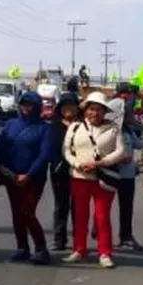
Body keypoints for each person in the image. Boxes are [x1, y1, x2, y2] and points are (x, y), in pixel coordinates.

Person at [61, 91, 125, 269]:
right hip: (80, 177)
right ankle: (79, 249)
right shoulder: (74, 127)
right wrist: (77, 164)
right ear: (85, 110)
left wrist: (99, 163)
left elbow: (120, 152)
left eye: (98, 110)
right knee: (80, 216)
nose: (94, 113)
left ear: (104, 111)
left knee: (102, 217)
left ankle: (105, 253)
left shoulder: (113, 128)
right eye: (91, 109)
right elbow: (67, 150)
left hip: (104, 178)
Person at [0, 92, 52, 264]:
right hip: (11, 176)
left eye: (30, 104)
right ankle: (22, 247)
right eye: (24, 104)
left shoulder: (44, 128)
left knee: (27, 212)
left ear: (37, 106)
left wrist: (29, 174)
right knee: (17, 214)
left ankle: (41, 248)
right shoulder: (11, 124)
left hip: (33, 178)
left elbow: (44, 154)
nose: (26, 108)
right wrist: (5, 170)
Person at [112, 98, 143, 251]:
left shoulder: (128, 130)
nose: (132, 117)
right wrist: (118, 158)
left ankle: (126, 237)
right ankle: (99, 231)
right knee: (104, 208)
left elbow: (137, 144)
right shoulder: (110, 129)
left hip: (128, 176)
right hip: (111, 174)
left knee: (127, 208)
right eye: (129, 114)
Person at [49, 92, 80, 251]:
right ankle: (59, 239)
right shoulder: (53, 125)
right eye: (65, 105)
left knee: (78, 207)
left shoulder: (84, 125)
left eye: (72, 105)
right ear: (60, 108)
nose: (68, 108)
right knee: (60, 206)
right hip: (59, 171)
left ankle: (78, 241)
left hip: (80, 172)